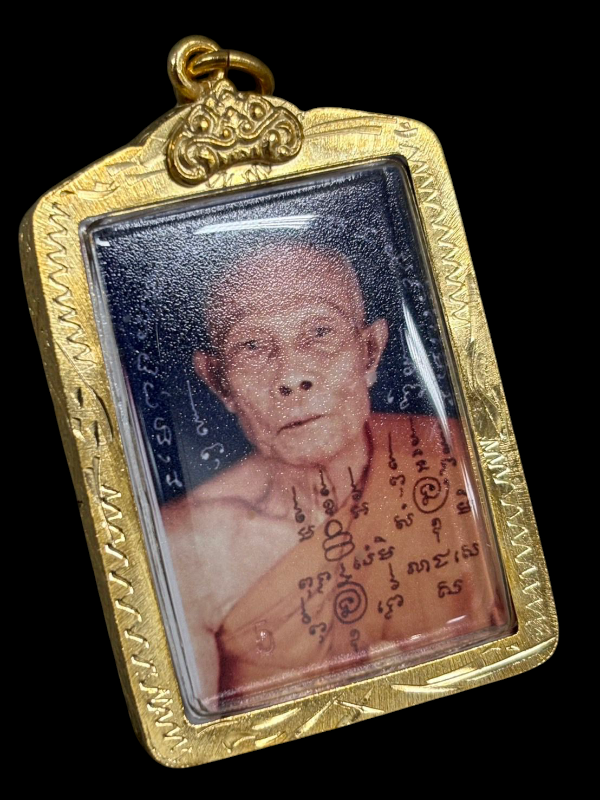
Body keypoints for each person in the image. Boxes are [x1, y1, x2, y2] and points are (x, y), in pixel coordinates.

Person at [163, 243, 510, 712]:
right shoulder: (189, 550)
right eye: (252, 346)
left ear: (370, 351)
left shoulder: (466, 459)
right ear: (218, 381)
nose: (292, 376)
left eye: (319, 332)